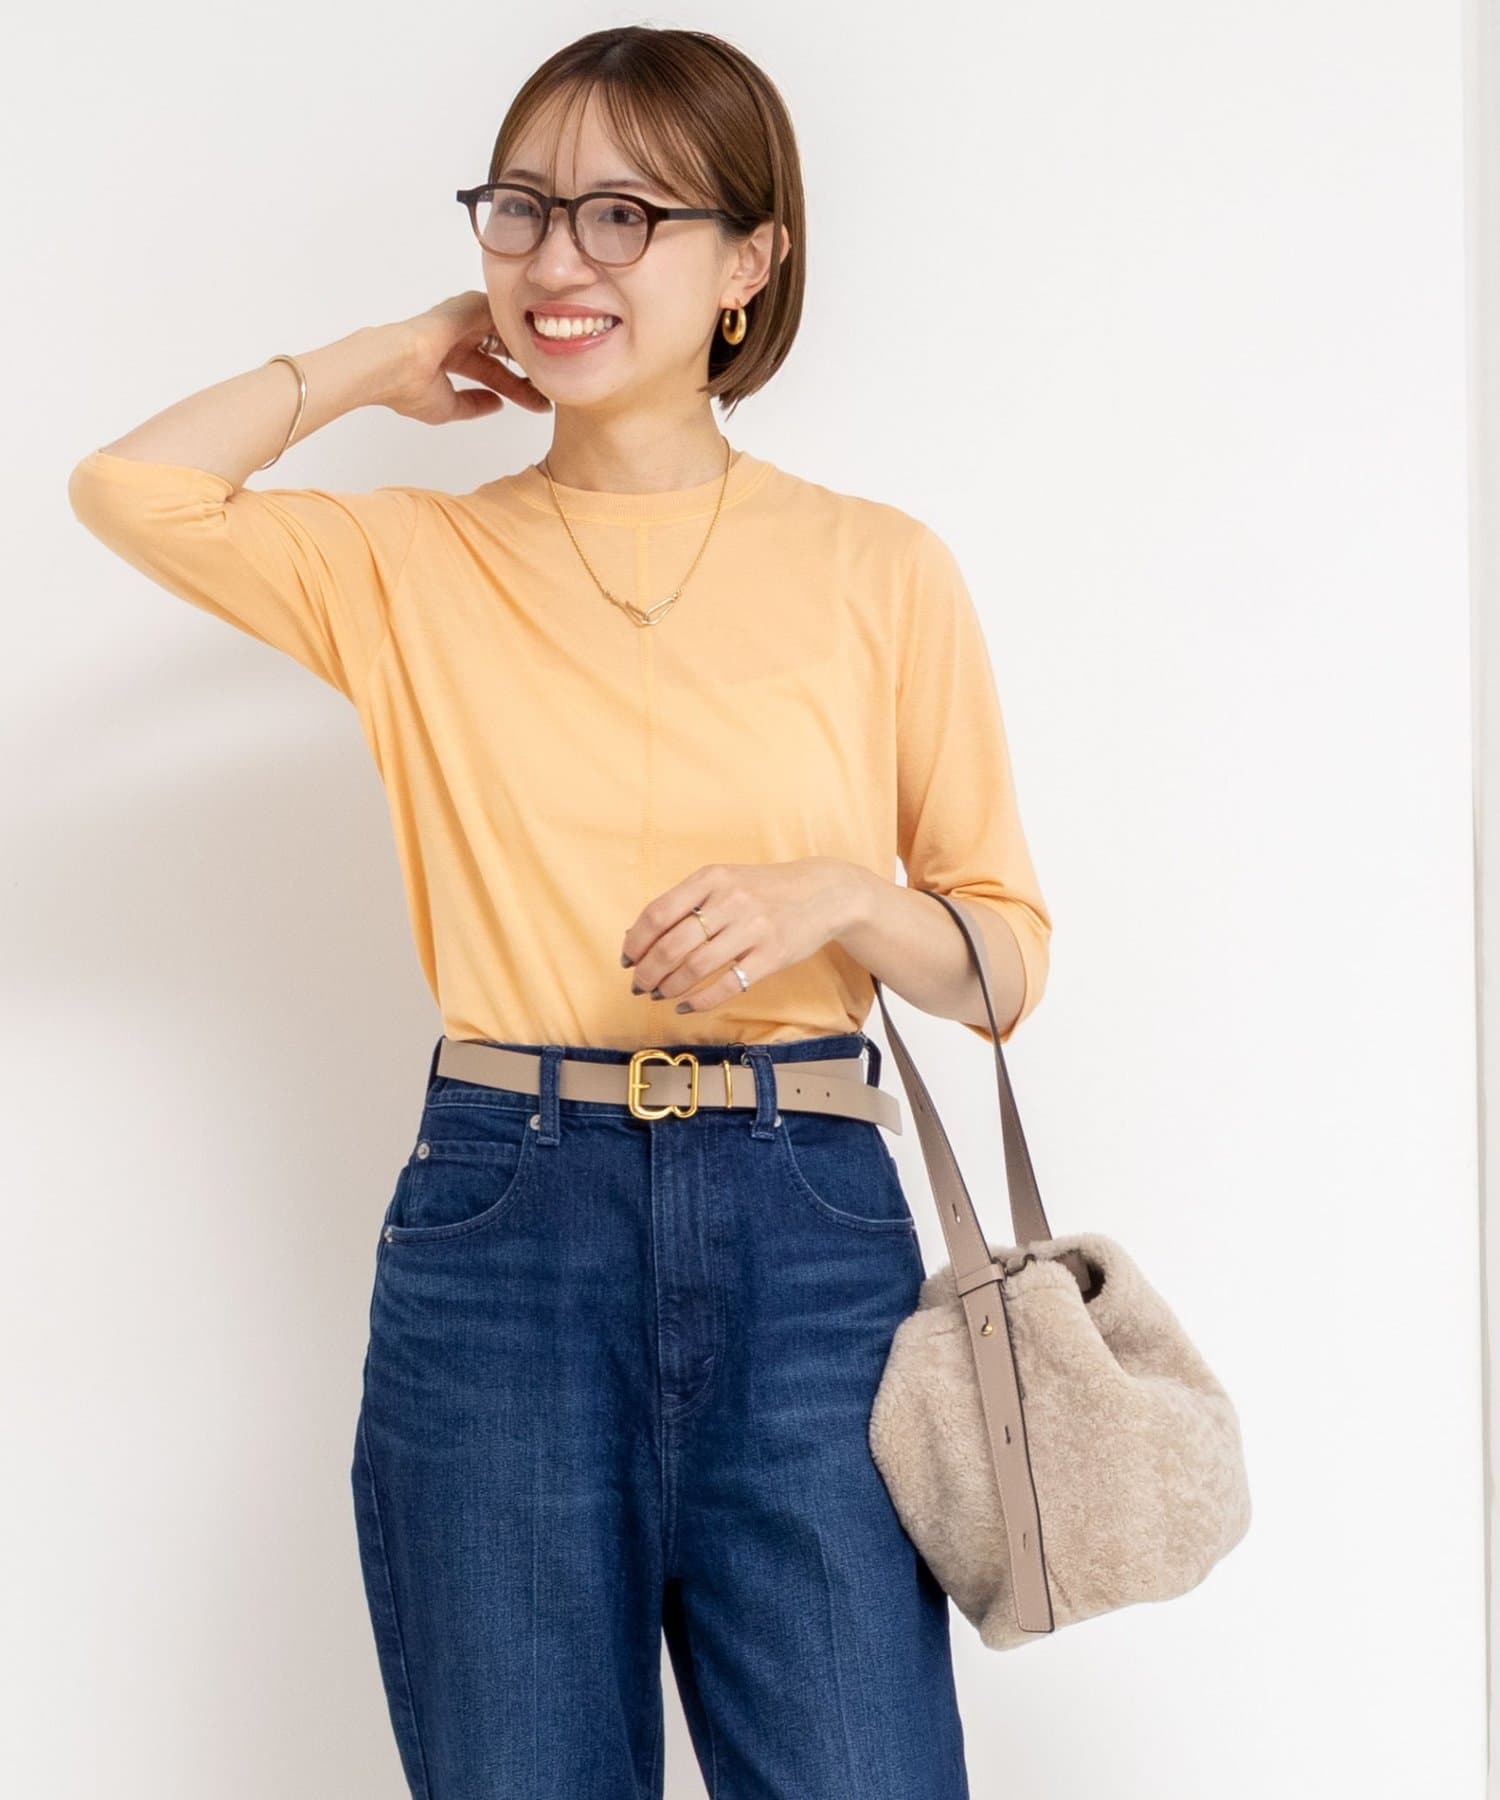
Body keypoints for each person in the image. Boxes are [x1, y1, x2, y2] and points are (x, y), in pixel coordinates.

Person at [66, 24, 1050, 1799]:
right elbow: (129, 488)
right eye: (521, 208)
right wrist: (386, 358)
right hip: (506, 1220)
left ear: (750, 262)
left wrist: (843, 895)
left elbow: (1001, 966)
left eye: (625, 215)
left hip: (810, 1228)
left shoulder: (878, 567)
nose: (556, 259)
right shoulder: (410, 565)